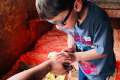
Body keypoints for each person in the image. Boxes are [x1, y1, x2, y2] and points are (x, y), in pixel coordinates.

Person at [35, 0, 116, 80]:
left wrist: (75, 56)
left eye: (62, 22)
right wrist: (71, 48)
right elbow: (71, 33)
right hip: (84, 67)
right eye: (54, 24)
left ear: (77, 6)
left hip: (101, 71)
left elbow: (102, 50)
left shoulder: (99, 20)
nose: (58, 27)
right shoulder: (72, 17)